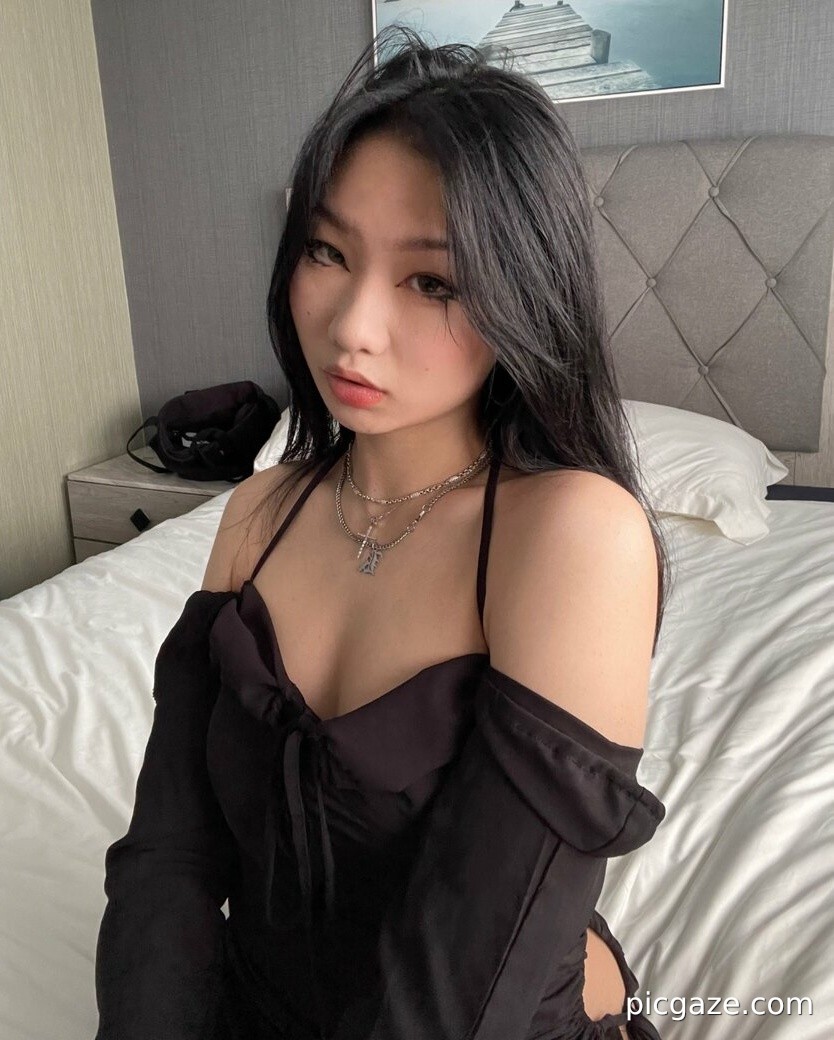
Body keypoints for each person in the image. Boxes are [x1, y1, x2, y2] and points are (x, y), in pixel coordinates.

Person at [94, 25, 673, 1040]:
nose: (352, 327)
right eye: (327, 252)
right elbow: (168, 860)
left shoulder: (573, 536)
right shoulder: (259, 512)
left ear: (522, 297)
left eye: (432, 281)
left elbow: (461, 994)